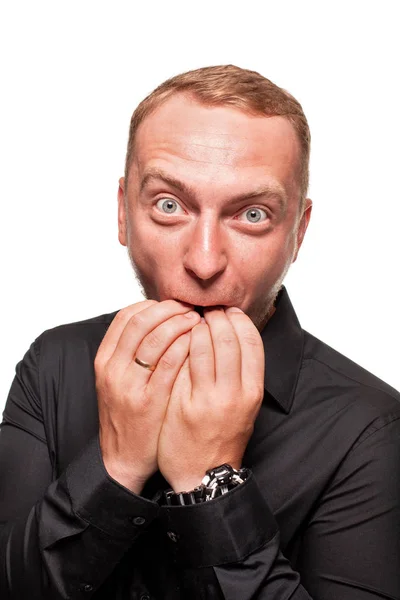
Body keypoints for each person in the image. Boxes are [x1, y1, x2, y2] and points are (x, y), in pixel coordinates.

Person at [0, 64, 399, 600]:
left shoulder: (370, 428)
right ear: (123, 212)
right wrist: (114, 467)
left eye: (251, 214)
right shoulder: (54, 364)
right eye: (169, 205)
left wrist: (211, 485)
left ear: (298, 233)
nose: (204, 261)